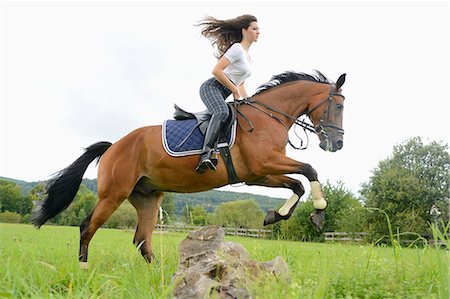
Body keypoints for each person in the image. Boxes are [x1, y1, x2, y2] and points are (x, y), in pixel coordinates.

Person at [195, 14, 259, 173]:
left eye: (259, 29)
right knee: (222, 111)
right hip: (212, 88)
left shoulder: (249, 57)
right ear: (244, 31)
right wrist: (234, 90)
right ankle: (206, 153)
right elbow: (216, 70)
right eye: (254, 29)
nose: (258, 32)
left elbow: (241, 82)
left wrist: (248, 100)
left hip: (226, 90)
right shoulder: (237, 49)